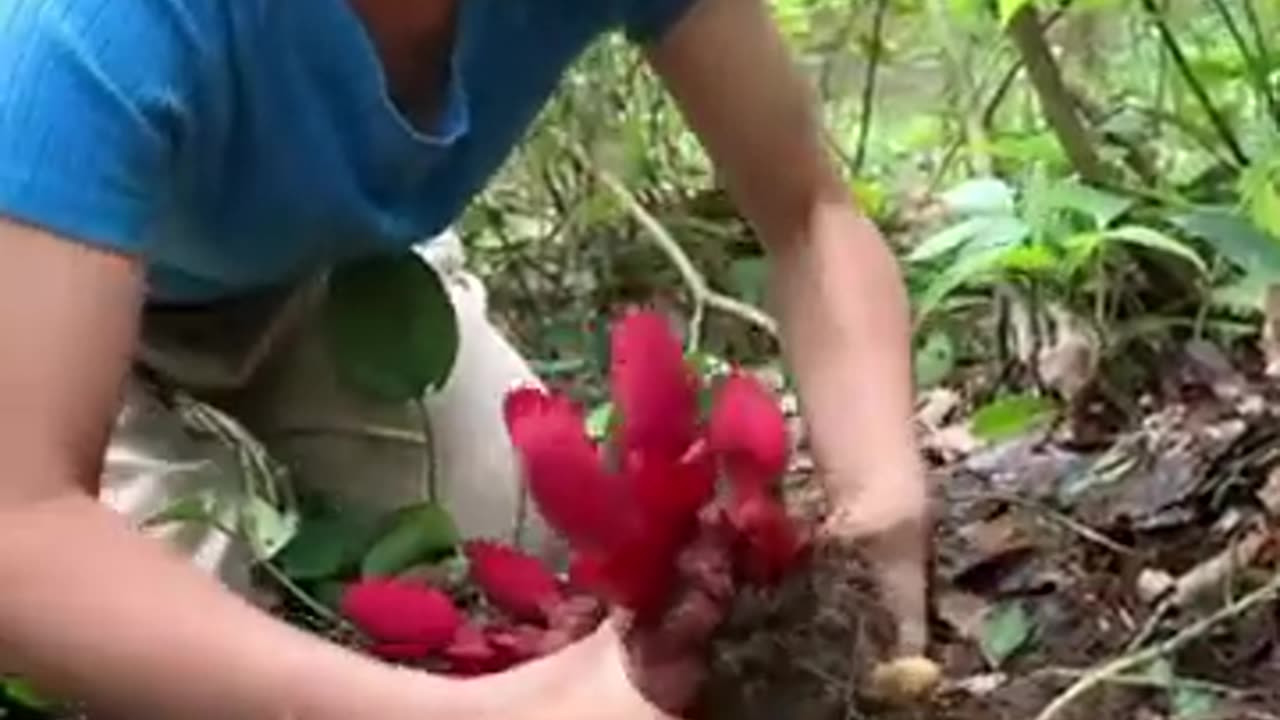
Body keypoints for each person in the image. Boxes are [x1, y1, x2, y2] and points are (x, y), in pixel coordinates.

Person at [0, 0, 930, 717]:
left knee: (539, 538)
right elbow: (21, 529)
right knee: (175, 631)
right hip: (34, 306)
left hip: (316, 279)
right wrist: (471, 711)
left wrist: (882, 506)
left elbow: (811, 216)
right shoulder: (84, 31)